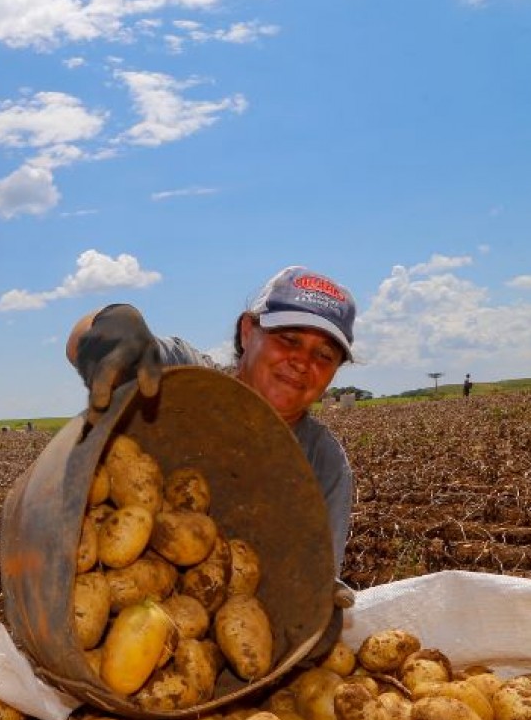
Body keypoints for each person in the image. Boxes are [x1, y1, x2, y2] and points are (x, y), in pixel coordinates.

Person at [66, 265, 358, 647]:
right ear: (248, 332)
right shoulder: (186, 375)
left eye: (325, 354)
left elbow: (310, 588)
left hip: (218, 634)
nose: (303, 362)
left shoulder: (325, 464)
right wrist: (108, 330)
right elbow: (81, 342)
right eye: (288, 339)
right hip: (97, 605)